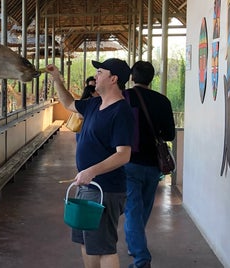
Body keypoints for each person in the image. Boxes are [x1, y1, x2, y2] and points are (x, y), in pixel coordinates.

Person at [48, 58, 134, 268]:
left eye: (101, 72)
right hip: (88, 185)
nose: (96, 75)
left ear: (113, 79)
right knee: (85, 241)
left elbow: (124, 155)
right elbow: (69, 103)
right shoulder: (95, 103)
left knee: (104, 246)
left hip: (105, 188)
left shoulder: (121, 112)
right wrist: (57, 79)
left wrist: (91, 171)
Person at [123, 61, 176, 268]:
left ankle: (141, 256)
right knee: (143, 208)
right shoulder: (162, 101)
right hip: (154, 164)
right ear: (151, 78)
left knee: (133, 210)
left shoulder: (124, 98)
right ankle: (135, 244)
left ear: (132, 77)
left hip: (129, 162)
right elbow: (170, 134)